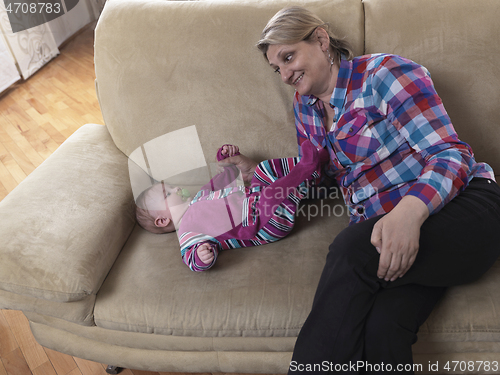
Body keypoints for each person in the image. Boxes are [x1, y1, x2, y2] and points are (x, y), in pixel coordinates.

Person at [222, 5, 500, 374]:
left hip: (464, 209)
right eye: (277, 68)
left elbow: (451, 154)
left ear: (321, 40)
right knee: (383, 328)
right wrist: (257, 177)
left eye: (289, 57)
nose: (285, 74)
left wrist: (408, 212)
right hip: (393, 237)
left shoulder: (384, 75)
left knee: (351, 250)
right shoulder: (305, 109)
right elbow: (317, 177)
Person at [136, 141, 329, 271]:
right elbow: (189, 257)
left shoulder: (200, 197)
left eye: (171, 186)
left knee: (263, 170)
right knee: (271, 195)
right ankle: (304, 169)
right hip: (261, 225)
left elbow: (223, 179)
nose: (177, 188)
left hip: (256, 199)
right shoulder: (187, 230)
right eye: (168, 193)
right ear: (163, 220)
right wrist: (201, 256)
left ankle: (314, 171)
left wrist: (226, 159)